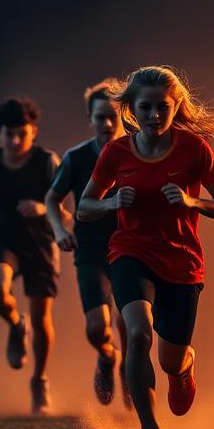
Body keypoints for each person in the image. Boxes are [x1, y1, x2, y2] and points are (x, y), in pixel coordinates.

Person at [78, 66, 214, 429]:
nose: (153, 115)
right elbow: (84, 207)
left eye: (162, 107)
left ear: (176, 106)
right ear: (131, 110)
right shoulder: (116, 152)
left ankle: (183, 369)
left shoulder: (193, 149)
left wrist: (192, 202)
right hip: (130, 252)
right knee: (137, 336)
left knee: (170, 357)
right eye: (144, 108)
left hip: (182, 263)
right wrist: (111, 202)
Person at [0, 98, 63, 414]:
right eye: (9, 134)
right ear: (0, 133)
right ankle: (14, 323)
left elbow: (66, 212)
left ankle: (40, 380)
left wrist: (42, 209)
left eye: (22, 133)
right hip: (3, 241)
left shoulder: (48, 162)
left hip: (40, 244)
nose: (15, 140)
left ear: (33, 131)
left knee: (42, 317)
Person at [45, 79, 131, 407]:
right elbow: (53, 199)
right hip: (90, 250)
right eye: (100, 117)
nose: (107, 124)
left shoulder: (138, 150)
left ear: (124, 114)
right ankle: (108, 357)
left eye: (112, 116)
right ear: (89, 119)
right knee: (97, 327)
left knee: (128, 320)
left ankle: (130, 370)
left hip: (130, 245)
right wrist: (59, 230)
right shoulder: (76, 157)